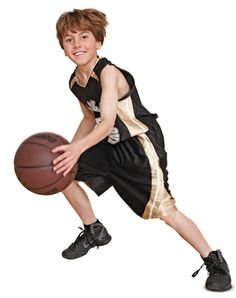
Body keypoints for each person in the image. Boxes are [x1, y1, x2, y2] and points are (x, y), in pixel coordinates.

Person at [52, 8, 232, 291]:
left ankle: (214, 259)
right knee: (61, 173)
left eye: (84, 37)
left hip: (138, 146)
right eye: (69, 39)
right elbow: (90, 119)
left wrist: (76, 149)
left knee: (165, 211)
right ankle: (94, 230)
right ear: (62, 47)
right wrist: (70, 149)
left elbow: (108, 120)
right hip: (107, 142)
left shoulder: (108, 73)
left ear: (98, 42)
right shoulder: (75, 81)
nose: (77, 44)